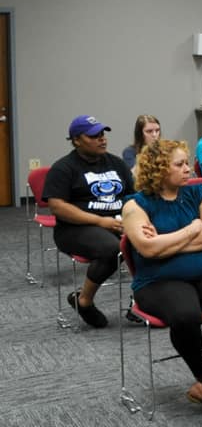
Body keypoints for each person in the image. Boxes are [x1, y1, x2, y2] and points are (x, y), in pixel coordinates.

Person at [121, 139, 202, 414]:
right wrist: (192, 229)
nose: (188, 169)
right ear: (159, 169)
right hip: (157, 281)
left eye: (186, 163)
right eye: (179, 164)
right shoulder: (135, 206)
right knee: (186, 316)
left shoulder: (199, 193)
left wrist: (165, 243)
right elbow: (148, 250)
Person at [43, 115, 136, 327]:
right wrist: (100, 221)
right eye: (94, 136)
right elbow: (57, 206)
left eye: (102, 134)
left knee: (152, 241)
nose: (102, 139)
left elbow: (133, 196)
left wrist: (133, 220)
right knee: (113, 249)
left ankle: (142, 301)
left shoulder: (116, 163)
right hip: (75, 228)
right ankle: (84, 300)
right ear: (76, 140)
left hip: (117, 223)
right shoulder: (64, 168)